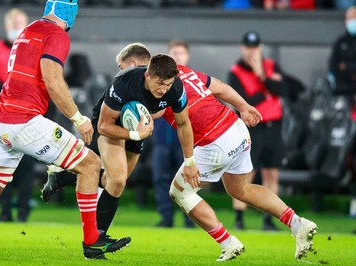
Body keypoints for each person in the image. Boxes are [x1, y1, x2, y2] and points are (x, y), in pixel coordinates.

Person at [43, 42, 318, 262]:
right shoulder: (181, 71)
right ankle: (297, 223)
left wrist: (184, 158)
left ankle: (228, 242)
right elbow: (219, 87)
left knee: (180, 192)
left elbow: (165, 114)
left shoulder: (160, 84)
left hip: (213, 139)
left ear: (141, 67)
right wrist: (244, 107)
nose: (121, 71)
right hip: (236, 129)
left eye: (124, 67)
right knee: (241, 190)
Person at [0, 0, 130, 259]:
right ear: (70, 12)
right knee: (91, 164)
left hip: (0, 120)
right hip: (24, 121)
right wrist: (78, 118)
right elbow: (52, 79)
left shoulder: (29, 29)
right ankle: (92, 241)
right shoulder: (56, 34)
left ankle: (61, 185)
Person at [228, 31, 287, 231]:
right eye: (248, 47)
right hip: (252, 127)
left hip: (274, 125)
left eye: (255, 47)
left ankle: (269, 219)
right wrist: (266, 90)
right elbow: (243, 102)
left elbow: (283, 89)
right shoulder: (236, 71)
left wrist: (262, 75)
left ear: (260, 48)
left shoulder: (270, 66)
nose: (252, 51)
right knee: (247, 172)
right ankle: (239, 218)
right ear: (242, 48)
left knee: (272, 173)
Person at [0, 8, 35, 222]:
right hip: (2, 114)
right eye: (13, 23)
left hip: (27, 114)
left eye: (19, 23)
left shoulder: (33, 49)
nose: (16, 27)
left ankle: (23, 212)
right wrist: (10, 94)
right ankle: (5, 211)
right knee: (0, 163)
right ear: (6, 26)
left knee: (26, 166)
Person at [151, 39, 195, 228]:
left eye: (181, 53)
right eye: (173, 53)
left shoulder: (194, 81)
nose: (178, 56)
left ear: (188, 56)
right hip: (161, 138)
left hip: (183, 140)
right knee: (160, 178)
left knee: (188, 178)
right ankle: (166, 218)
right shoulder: (156, 80)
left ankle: (190, 218)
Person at [328, 6, 356, 228]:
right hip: (345, 108)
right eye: (350, 17)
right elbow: (335, 71)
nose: (352, 21)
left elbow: (345, 70)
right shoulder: (340, 43)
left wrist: (349, 68)